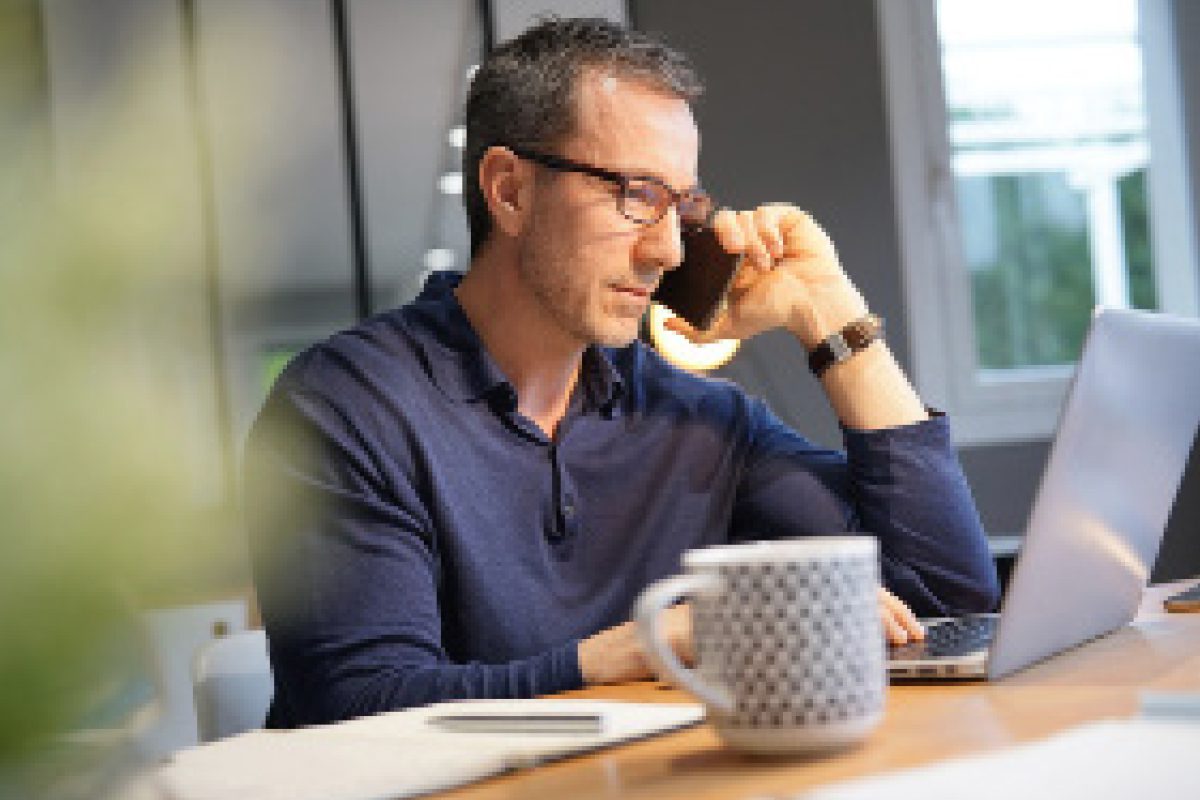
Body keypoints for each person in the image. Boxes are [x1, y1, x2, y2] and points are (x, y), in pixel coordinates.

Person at [244, 17, 999, 729]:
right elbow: (357, 709)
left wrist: (832, 318)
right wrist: (635, 648)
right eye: (637, 196)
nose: (670, 250)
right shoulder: (343, 408)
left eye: (681, 204)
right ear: (508, 190)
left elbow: (945, 605)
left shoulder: (699, 419)